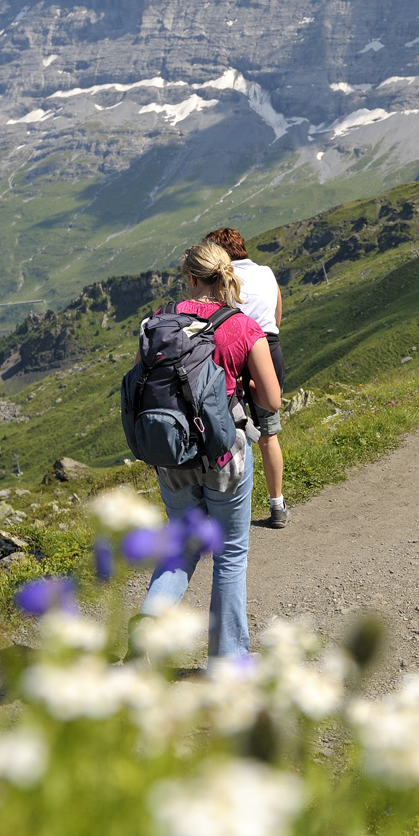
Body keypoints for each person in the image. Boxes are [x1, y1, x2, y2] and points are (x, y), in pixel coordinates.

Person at [140, 241, 283, 658]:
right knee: (230, 553)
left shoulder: (158, 321)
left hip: (174, 453)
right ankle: (228, 659)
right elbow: (271, 400)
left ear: (190, 278)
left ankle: (144, 638)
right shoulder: (243, 327)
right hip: (225, 454)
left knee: (181, 547)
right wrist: (246, 385)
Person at [206, 226, 289, 529]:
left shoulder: (222, 278)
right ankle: (277, 505)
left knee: (227, 431)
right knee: (269, 432)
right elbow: (277, 317)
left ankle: (226, 510)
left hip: (234, 350)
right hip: (268, 347)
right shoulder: (266, 272)